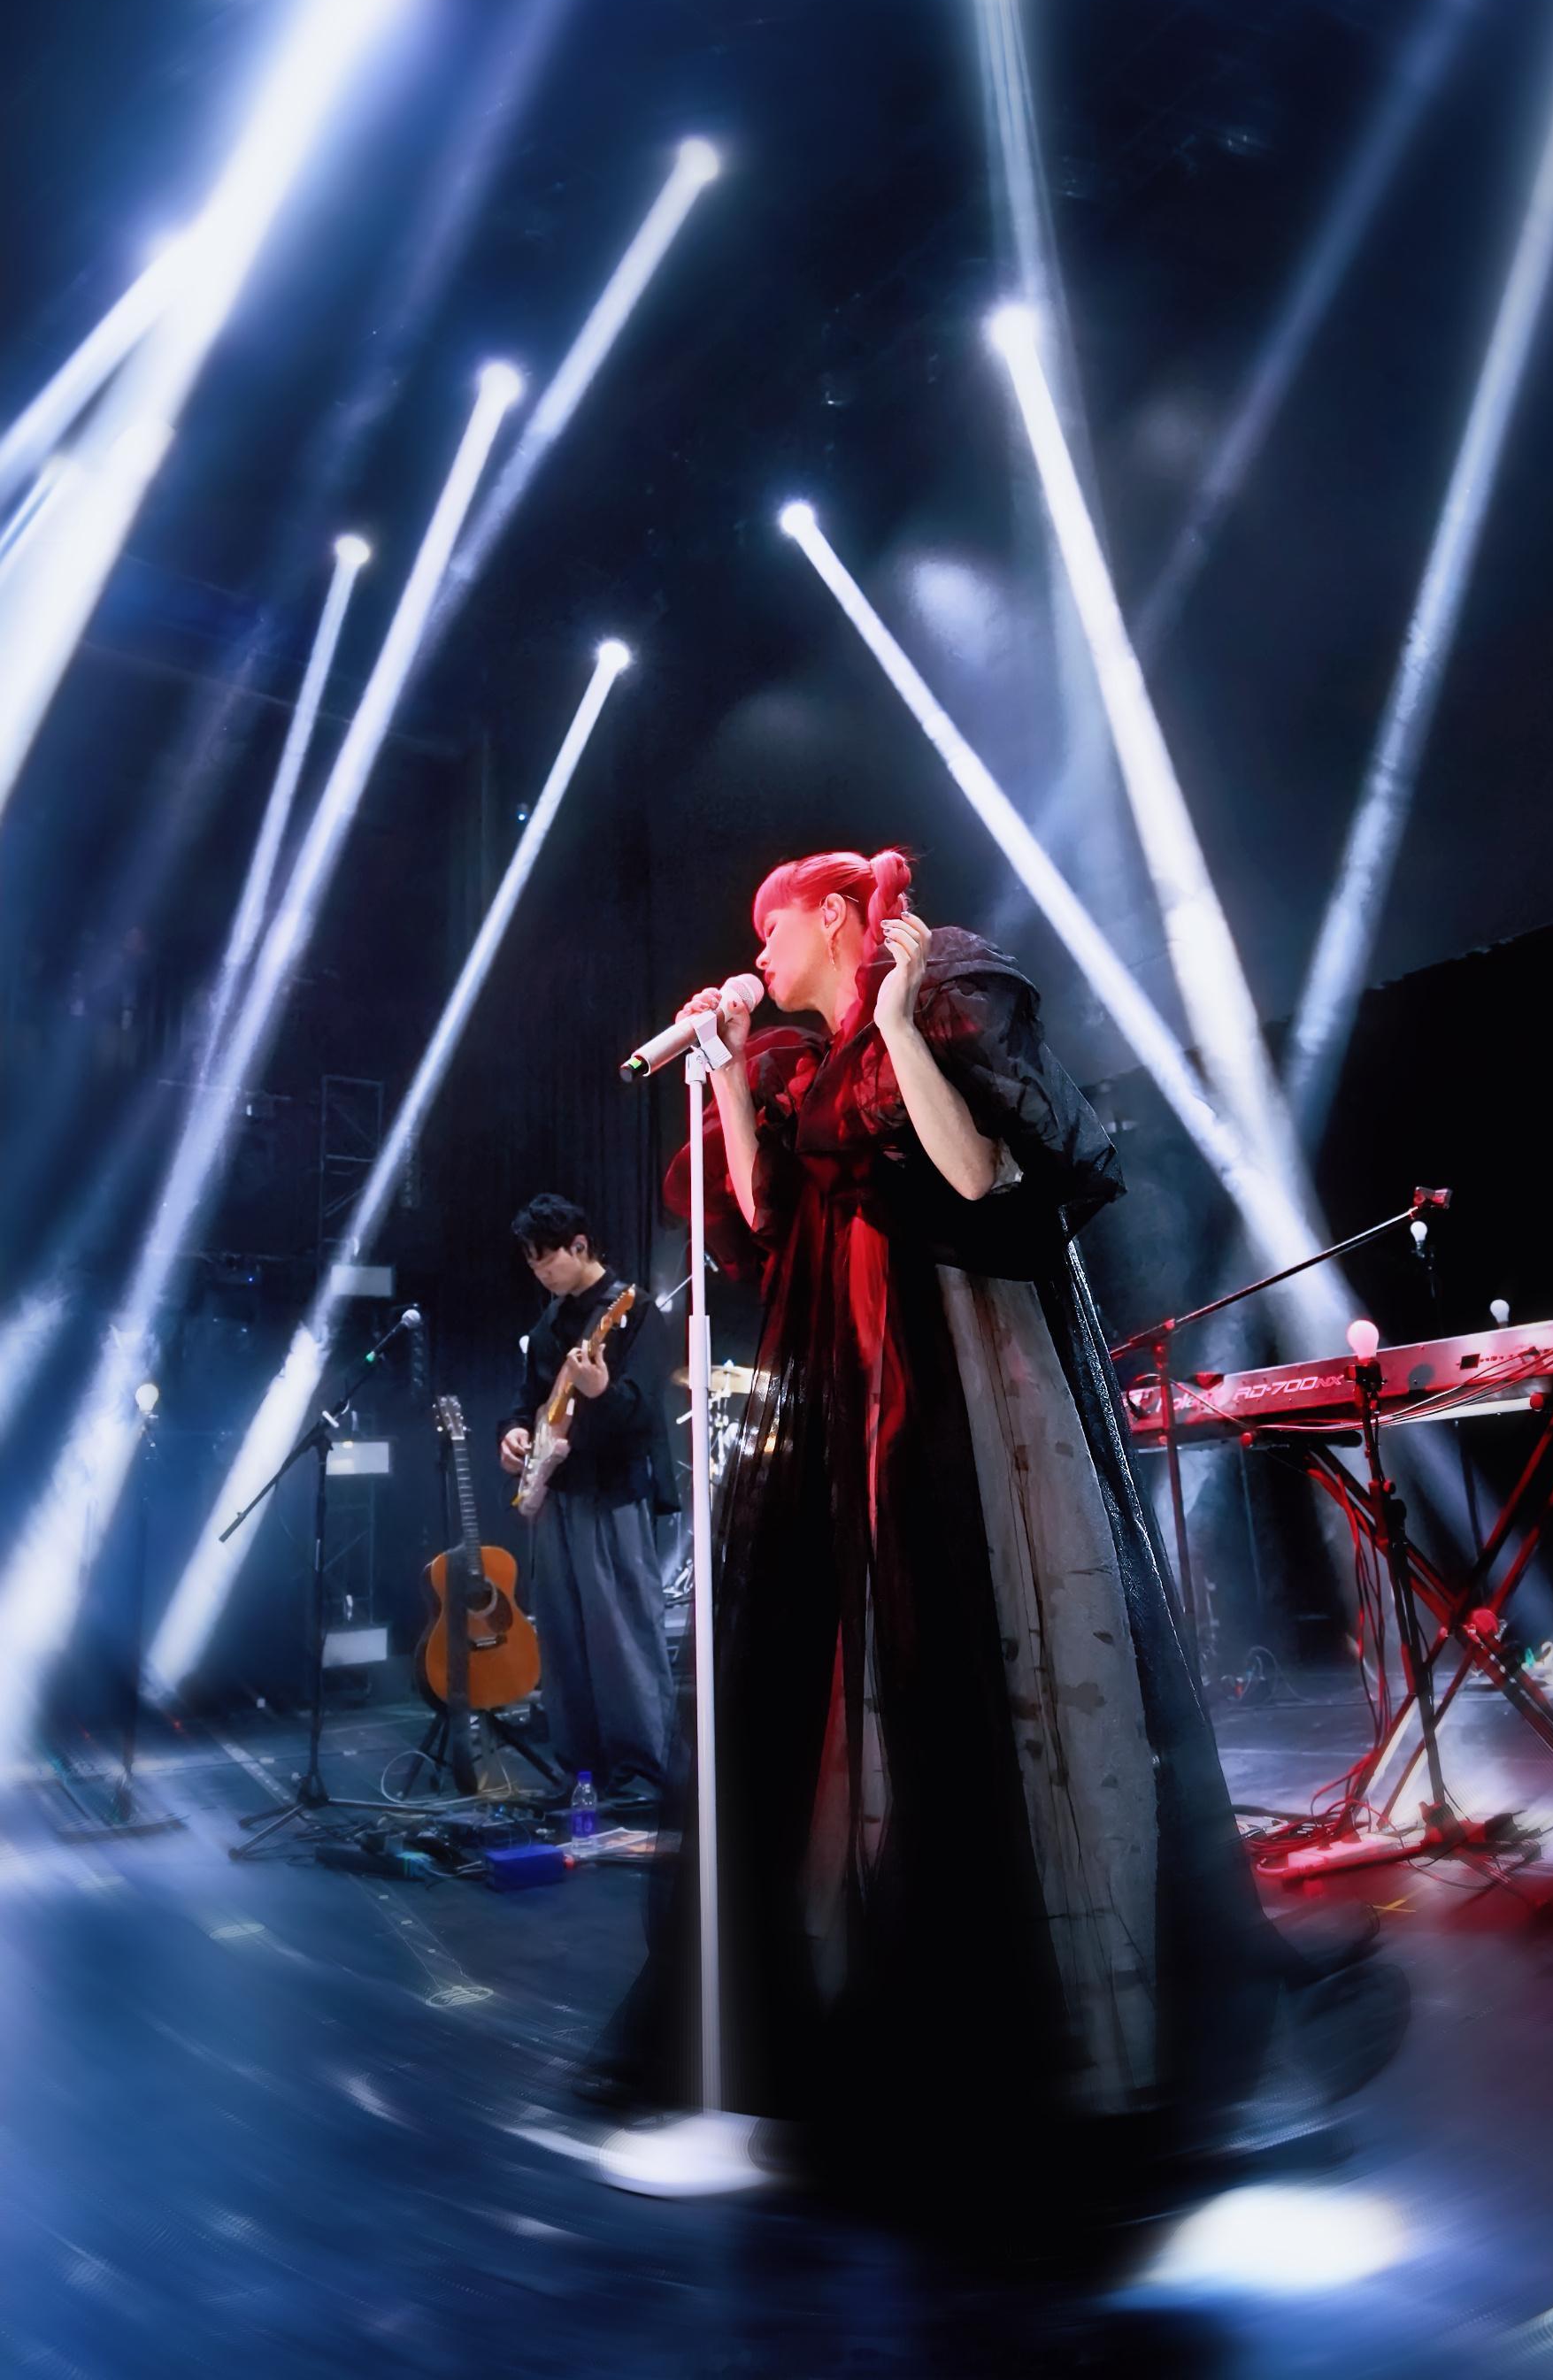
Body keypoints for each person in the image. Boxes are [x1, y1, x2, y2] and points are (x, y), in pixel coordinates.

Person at [592, 848, 1403, 2232]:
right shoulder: (799, 1068)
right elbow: (766, 1221)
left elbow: (977, 1178)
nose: (761, 959)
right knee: (873, 1684)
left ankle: (1072, 2021)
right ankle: (883, 1996)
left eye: (772, 934)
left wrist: (896, 1026)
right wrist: (723, 1068)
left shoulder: (943, 989)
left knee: (1004, 1635)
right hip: (863, 1390)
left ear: (834, 917)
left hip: (968, 1368)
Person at [500, 1194, 676, 1811]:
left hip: (611, 1487)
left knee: (621, 1632)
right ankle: (580, 1770)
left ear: (579, 1246)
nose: (541, 1274)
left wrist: (602, 1390)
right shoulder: (548, 1323)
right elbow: (527, 1401)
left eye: (548, 1260)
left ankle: (642, 1773)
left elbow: (644, 1412)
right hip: (557, 1491)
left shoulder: (636, 1310)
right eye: (532, 1264)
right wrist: (513, 1433)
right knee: (563, 1636)